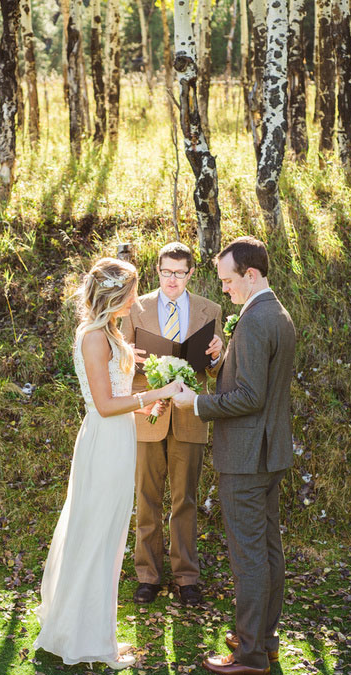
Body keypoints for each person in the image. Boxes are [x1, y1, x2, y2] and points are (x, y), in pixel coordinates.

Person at [34, 258, 180, 669]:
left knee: (109, 536)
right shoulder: (94, 338)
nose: (137, 298)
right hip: (103, 444)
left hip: (119, 437)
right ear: (116, 294)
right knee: (97, 535)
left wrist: (142, 410)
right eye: (132, 291)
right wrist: (153, 395)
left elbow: (115, 399)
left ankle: (95, 632)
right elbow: (101, 405)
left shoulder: (110, 333)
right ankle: (86, 640)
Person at [173, 236, 296, 675]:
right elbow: (254, 380)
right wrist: (224, 358)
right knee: (266, 550)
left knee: (248, 558)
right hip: (269, 452)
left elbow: (250, 396)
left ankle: (250, 656)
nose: (223, 288)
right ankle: (263, 638)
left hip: (246, 457)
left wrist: (198, 405)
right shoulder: (273, 313)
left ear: (251, 274)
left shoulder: (257, 321)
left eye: (228, 281)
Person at [121, 242, 224, 606]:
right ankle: (147, 575)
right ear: (157, 270)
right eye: (166, 272)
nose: (172, 279)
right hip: (148, 414)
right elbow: (119, 361)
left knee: (185, 500)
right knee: (147, 499)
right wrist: (129, 358)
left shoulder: (211, 310)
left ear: (191, 273)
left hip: (189, 415)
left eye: (180, 273)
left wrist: (217, 354)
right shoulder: (136, 308)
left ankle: (186, 578)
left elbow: (215, 369)